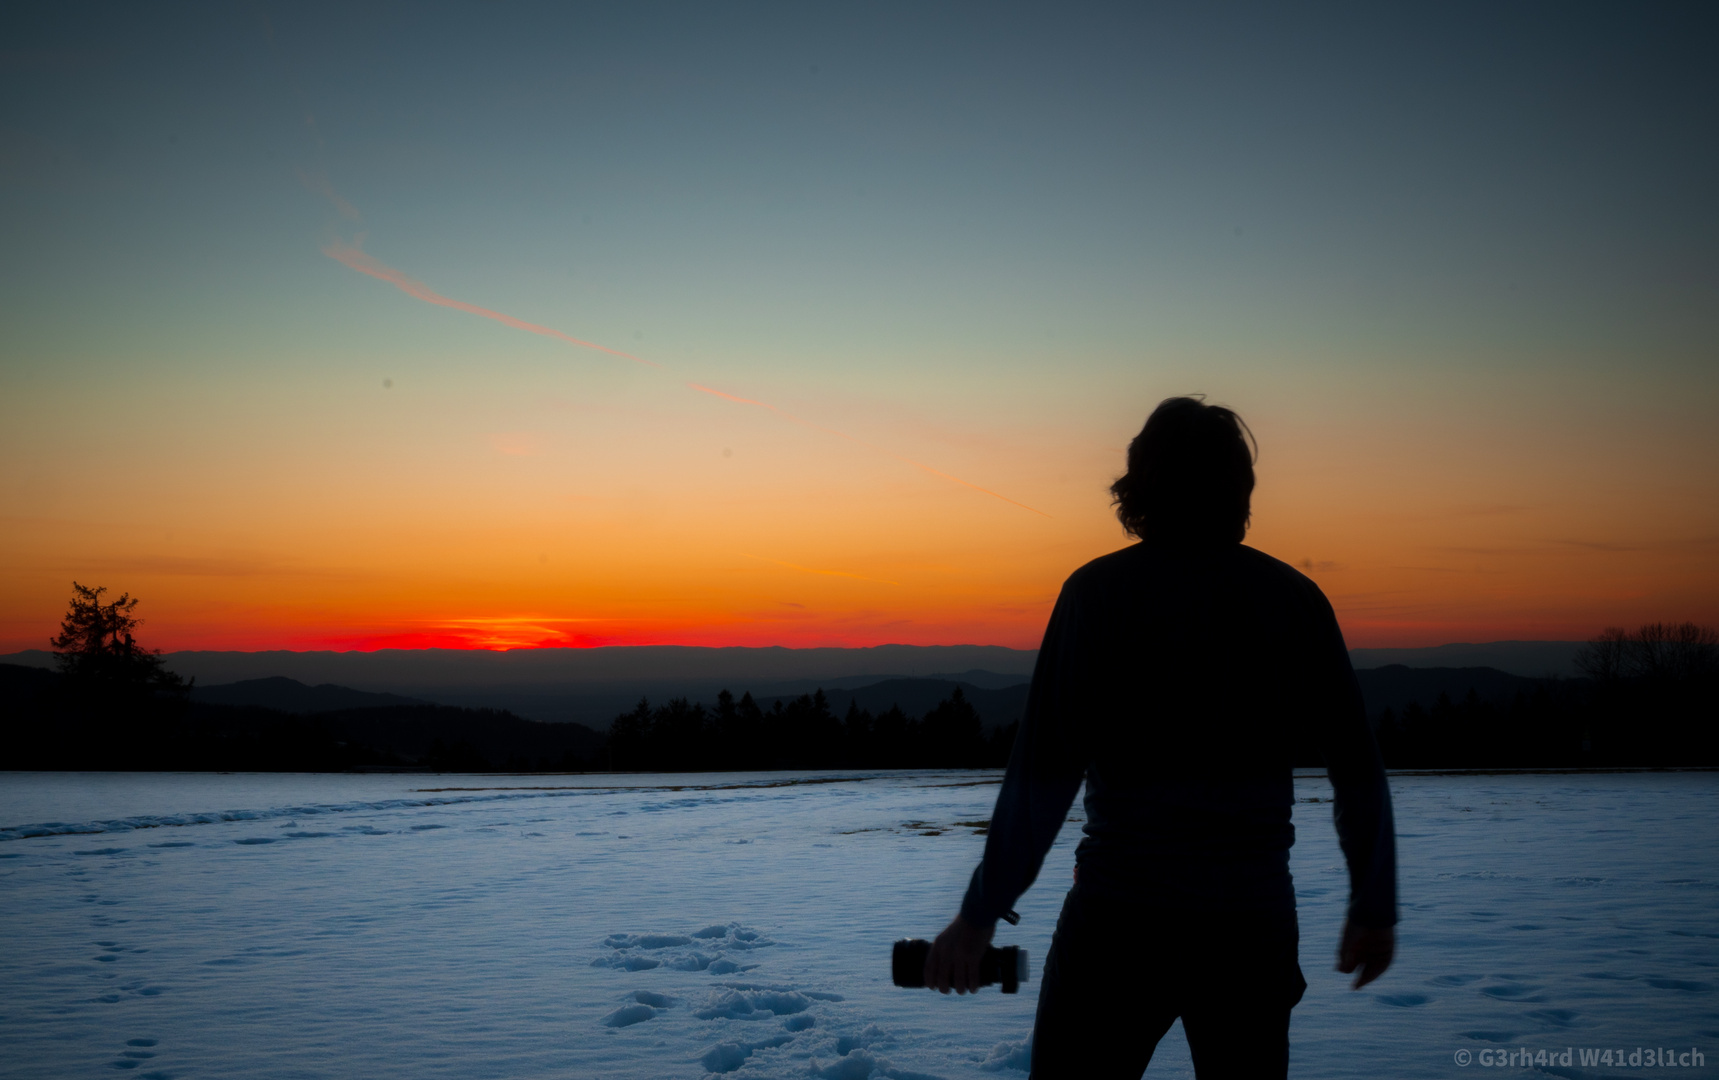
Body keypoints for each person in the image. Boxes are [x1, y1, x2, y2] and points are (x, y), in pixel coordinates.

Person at [923, 396, 1397, 1079]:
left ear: (1139, 486)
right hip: (1249, 924)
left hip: (1120, 922)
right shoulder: (1291, 600)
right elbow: (1357, 768)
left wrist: (978, 915)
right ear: (1240, 489)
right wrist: (1373, 907)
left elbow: (1042, 774)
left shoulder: (1098, 595)